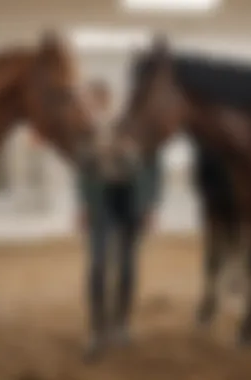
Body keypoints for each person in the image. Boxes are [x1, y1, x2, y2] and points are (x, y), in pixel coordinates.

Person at [77, 79, 162, 360]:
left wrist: (150, 204)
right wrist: (82, 205)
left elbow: (152, 163)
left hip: (130, 200)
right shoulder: (85, 131)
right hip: (101, 201)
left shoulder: (132, 125)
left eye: (95, 99)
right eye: (89, 101)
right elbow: (82, 170)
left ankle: (121, 324)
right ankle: (97, 329)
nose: (91, 106)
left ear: (107, 99)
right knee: (99, 264)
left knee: (127, 264)